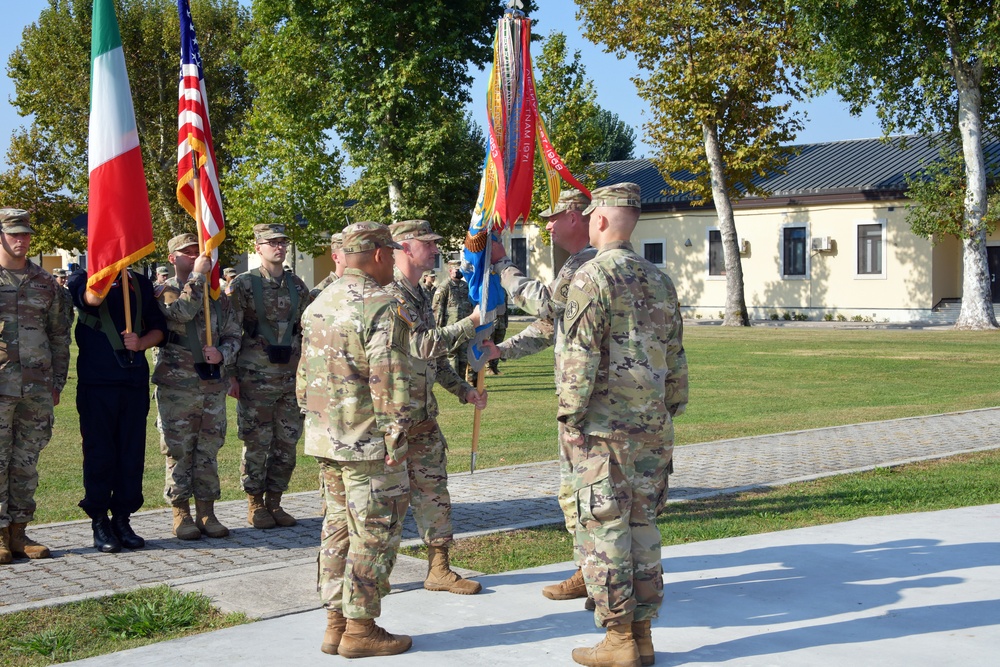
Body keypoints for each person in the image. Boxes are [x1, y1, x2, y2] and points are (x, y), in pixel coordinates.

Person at [557, 184, 688, 667]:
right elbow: (675, 357)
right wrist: (667, 408)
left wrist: (570, 418)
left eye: (592, 216)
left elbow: (579, 355)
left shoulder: (591, 276)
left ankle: (617, 641)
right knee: (643, 529)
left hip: (604, 431)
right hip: (652, 426)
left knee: (605, 530)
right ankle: (644, 635)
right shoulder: (660, 279)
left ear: (603, 221)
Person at [297, 221, 413, 658]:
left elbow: (303, 379)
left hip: (328, 439)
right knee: (374, 532)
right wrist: (396, 434)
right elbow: (391, 379)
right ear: (381, 254)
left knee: (337, 529)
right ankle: (361, 629)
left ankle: (335, 624)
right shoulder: (381, 304)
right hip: (368, 443)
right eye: (393, 253)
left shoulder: (318, 302)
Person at [485, 188, 598, 605]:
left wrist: (502, 265)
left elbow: (546, 304)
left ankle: (597, 574)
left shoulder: (588, 265)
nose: (547, 225)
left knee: (584, 492)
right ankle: (589, 569)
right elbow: (554, 326)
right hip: (583, 401)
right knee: (582, 492)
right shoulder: (579, 263)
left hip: (587, 404)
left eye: (553, 217)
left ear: (576, 216)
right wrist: (504, 350)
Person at [386, 220, 486, 595]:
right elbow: (421, 346)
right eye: (427, 244)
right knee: (385, 505)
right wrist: (469, 324)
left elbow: (436, 362)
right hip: (392, 419)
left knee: (434, 494)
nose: (435, 250)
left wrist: (463, 391)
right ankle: (369, 576)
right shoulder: (390, 296)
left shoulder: (420, 295)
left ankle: (439, 569)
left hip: (423, 417)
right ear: (405, 247)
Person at [71, 261, 167, 553]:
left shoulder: (139, 283)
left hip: (132, 380)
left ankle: (123, 518)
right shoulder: (84, 278)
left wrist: (141, 343)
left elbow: (159, 328)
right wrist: (107, 272)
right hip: (97, 381)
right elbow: (89, 301)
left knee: (131, 453)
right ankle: (99, 519)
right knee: (100, 452)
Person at [154, 233, 241, 540]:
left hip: (211, 383)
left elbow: (233, 335)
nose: (195, 256)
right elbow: (181, 313)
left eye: (198, 251)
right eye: (187, 252)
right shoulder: (164, 291)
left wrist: (223, 354)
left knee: (208, 448)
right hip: (177, 383)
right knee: (178, 449)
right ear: (172, 258)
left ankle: (207, 510)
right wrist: (197, 276)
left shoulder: (218, 296)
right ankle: (181, 512)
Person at [227, 224, 311, 529]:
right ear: (258, 247)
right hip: (255, 376)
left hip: (290, 377)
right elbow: (231, 331)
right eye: (272, 242)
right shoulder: (243, 285)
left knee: (287, 442)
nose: (279, 247)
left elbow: (306, 330)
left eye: (283, 242)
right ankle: (255, 504)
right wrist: (230, 375)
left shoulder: (297, 286)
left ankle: (275, 501)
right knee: (256, 442)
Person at [0, 209, 71, 564]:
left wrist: (57, 382)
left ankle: (19, 532)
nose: (21, 240)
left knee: (26, 461)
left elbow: (59, 336)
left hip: (36, 388)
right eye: (14, 233)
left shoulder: (45, 283)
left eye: (25, 234)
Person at [431, 259, 472, 379]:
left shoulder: (465, 286)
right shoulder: (444, 286)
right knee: (452, 354)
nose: (459, 272)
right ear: (450, 271)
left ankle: (462, 380)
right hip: (451, 327)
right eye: (457, 270)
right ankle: (454, 380)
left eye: (461, 270)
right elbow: (437, 309)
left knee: (464, 355)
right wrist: (438, 329)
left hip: (465, 326)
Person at [309, 232, 345, 300]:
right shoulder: (319, 293)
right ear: (335, 257)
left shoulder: (364, 286)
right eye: (348, 251)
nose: (354, 255)